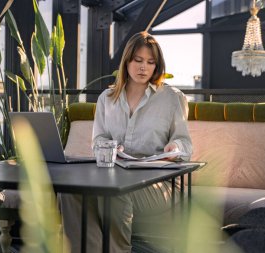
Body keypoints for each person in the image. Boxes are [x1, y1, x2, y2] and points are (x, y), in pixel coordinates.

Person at [59, 31, 192, 252]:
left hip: (159, 183)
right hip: (117, 176)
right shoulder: (107, 98)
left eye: (150, 62)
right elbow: (99, 140)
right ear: (127, 61)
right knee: (69, 191)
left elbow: (185, 144)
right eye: (138, 60)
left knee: (113, 193)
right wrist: (110, 148)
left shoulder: (172, 98)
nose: (143, 67)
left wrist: (175, 147)